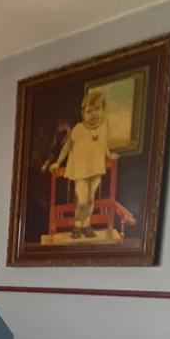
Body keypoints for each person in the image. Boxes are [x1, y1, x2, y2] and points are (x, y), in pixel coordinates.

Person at [49, 88, 110, 239]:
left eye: (97, 109)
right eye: (89, 111)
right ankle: (77, 225)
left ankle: (86, 225)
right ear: (83, 113)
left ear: (103, 110)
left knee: (91, 199)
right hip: (81, 170)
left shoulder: (104, 126)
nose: (93, 114)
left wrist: (109, 155)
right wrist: (58, 162)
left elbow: (103, 144)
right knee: (82, 200)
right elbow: (67, 146)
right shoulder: (79, 129)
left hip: (96, 168)